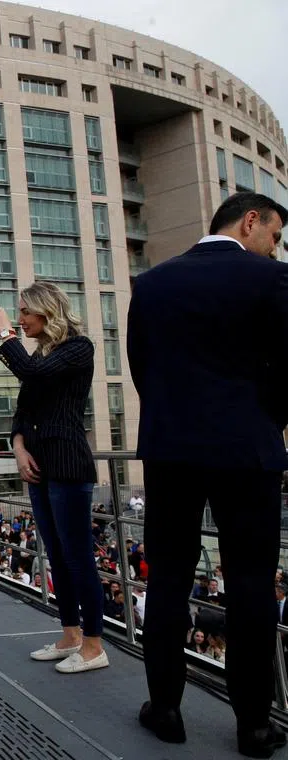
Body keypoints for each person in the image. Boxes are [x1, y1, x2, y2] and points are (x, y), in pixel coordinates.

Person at [126, 191, 288, 757]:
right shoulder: (271, 280)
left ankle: (166, 709)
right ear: (251, 221)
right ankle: (254, 726)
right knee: (250, 583)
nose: (276, 247)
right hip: (248, 450)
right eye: (275, 235)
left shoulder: (152, 284)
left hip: (171, 450)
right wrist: (267, 420)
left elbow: (141, 367)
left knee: (168, 577)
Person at [0, 283, 107, 674]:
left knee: (77, 557)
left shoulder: (78, 347)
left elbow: (31, 372)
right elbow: (23, 410)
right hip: (39, 464)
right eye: (18, 314)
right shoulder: (43, 353)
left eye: (25, 312)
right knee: (57, 554)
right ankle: (71, 634)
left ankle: (94, 645)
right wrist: (19, 448)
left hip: (68, 463)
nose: (20, 319)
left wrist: (6, 335)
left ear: (47, 312)